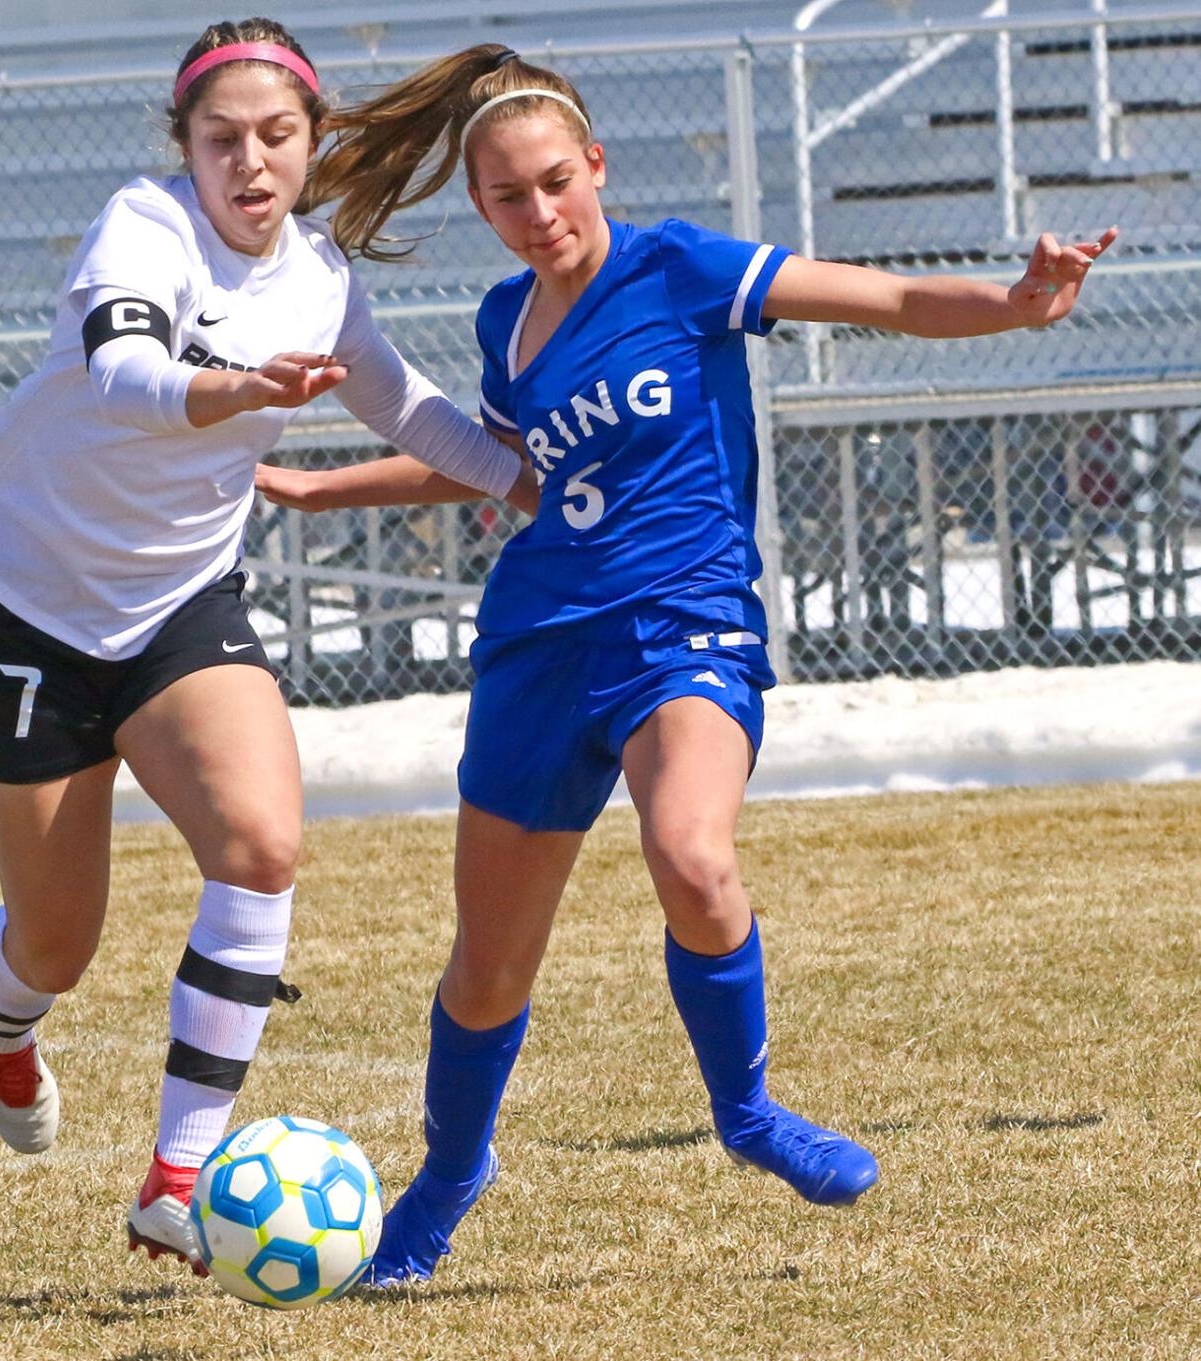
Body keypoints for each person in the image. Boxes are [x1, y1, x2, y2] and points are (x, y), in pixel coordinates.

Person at [256, 44, 1117, 1285]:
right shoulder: (507, 320)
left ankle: (749, 1111)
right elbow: (507, 467)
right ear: (482, 207)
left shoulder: (684, 268)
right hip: (540, 639)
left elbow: (879, 297)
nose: (539, 212)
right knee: (489, 963)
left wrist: (1013, 299)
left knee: (692, 851)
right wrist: (326, 487)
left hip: (685, 617)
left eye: (557, 180)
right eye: (508, 196)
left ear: (596, 164)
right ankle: (447, 1179)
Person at [0, 19, 534, 1277]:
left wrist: (527, 480)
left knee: (262, 846)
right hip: (34, 609)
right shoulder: (143, 227)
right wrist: (239, 389)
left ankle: (176, 1177)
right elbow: (123, 374)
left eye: (277, 137)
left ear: (313, 145)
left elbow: (413, 408)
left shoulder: (321, 278)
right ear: (187, 148)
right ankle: (2, 1008)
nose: (250, 163)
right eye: (224, 140)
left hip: (178, 611)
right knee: (58, 942)